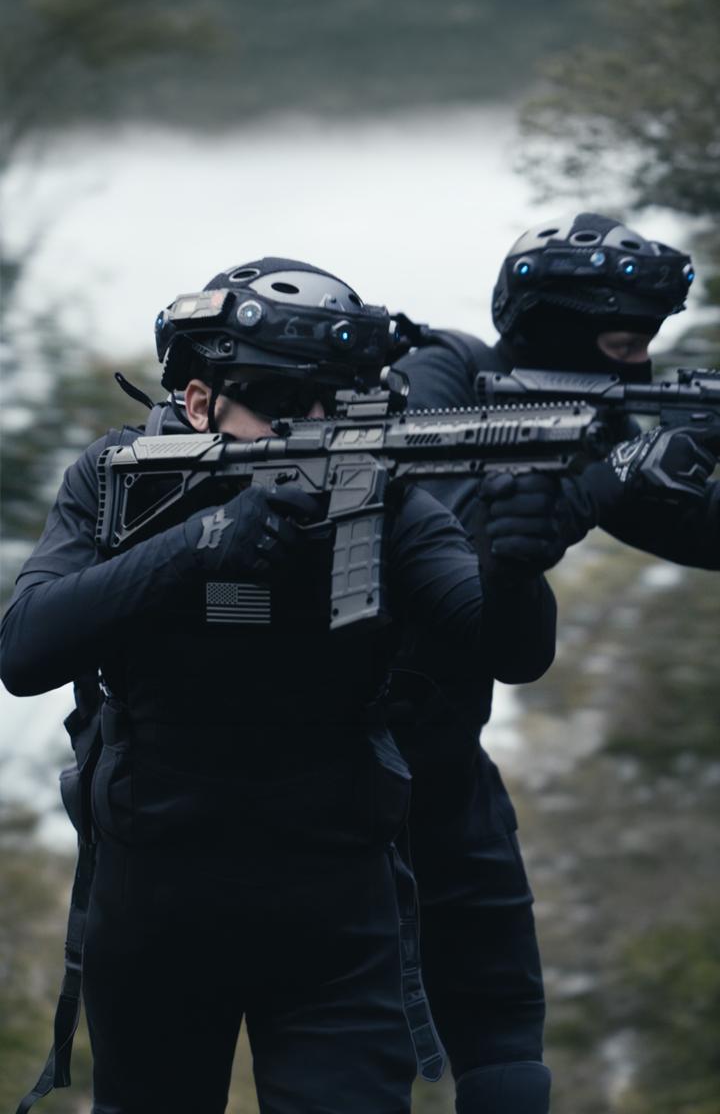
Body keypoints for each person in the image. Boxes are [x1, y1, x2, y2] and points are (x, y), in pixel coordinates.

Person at [1, 257, 560, 1114]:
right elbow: (24, 651)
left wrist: (517, 568)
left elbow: (507, 649)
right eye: (284, 400)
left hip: (336, 914)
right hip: (156, 905)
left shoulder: (385, 498)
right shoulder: (122, 477)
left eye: (337, 401)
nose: (317, 425)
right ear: (198, 403)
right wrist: (199, 544)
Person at [389, 211, 718, 1114]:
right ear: (559, 325)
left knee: (506, 1046)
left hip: (453, 775)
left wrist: (683, 448)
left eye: (648, 340)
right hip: (352, 769)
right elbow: (438, 532)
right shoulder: (445, 374)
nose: (639, 360)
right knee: (350, 1059)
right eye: (622, 339)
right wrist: (620, 469)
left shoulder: (603, 418)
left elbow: (697, 530)